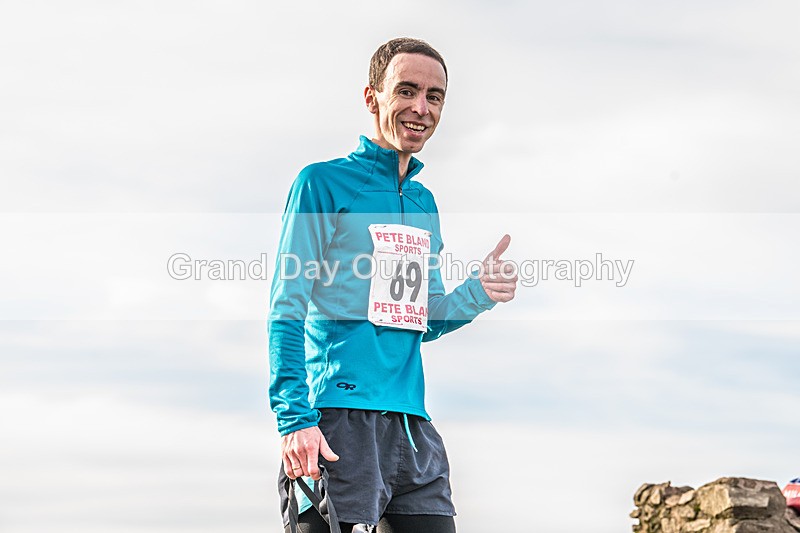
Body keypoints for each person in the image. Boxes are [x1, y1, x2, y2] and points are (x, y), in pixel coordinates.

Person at [268, 37, 517, 533]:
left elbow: (421, 321)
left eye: (435, 96)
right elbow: (286, 307)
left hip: (412, 427)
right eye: (406, 91)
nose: (421, 108)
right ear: (372, 97)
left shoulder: (424, 203)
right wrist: (294, 419)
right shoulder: (323, 183)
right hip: (336, 420)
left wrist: (478, 293)